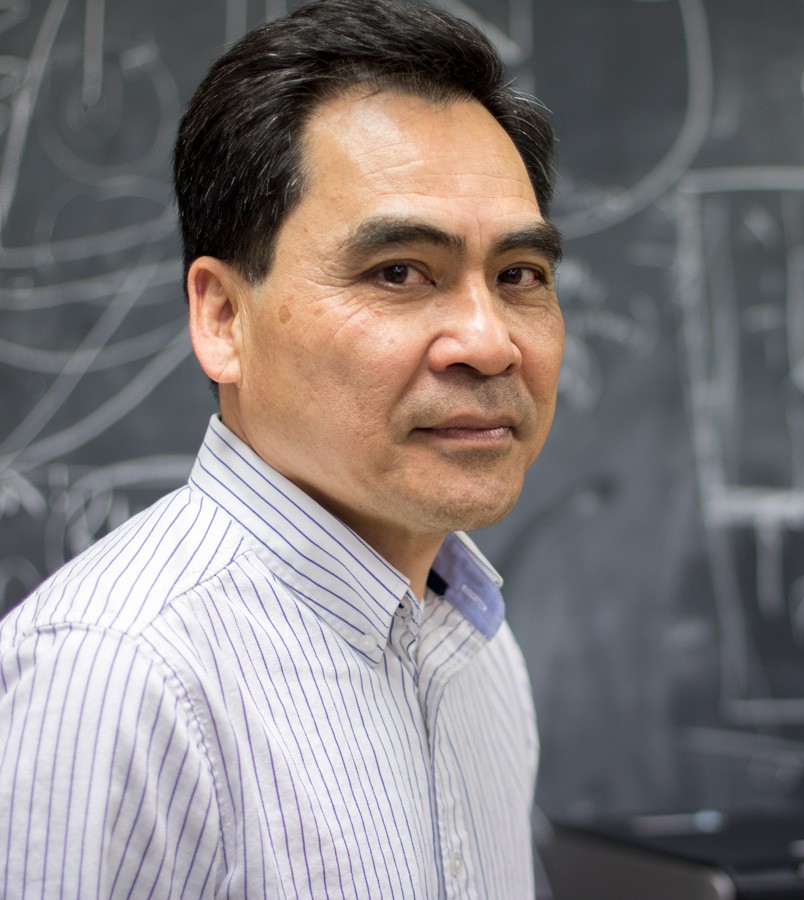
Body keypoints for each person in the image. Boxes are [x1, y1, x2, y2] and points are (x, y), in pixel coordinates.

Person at [0, 1, 563, 896]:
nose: (490, 343)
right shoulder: (119, 673)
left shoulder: (473, 649)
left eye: (518, 275)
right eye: (399, 272)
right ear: (224, 318)